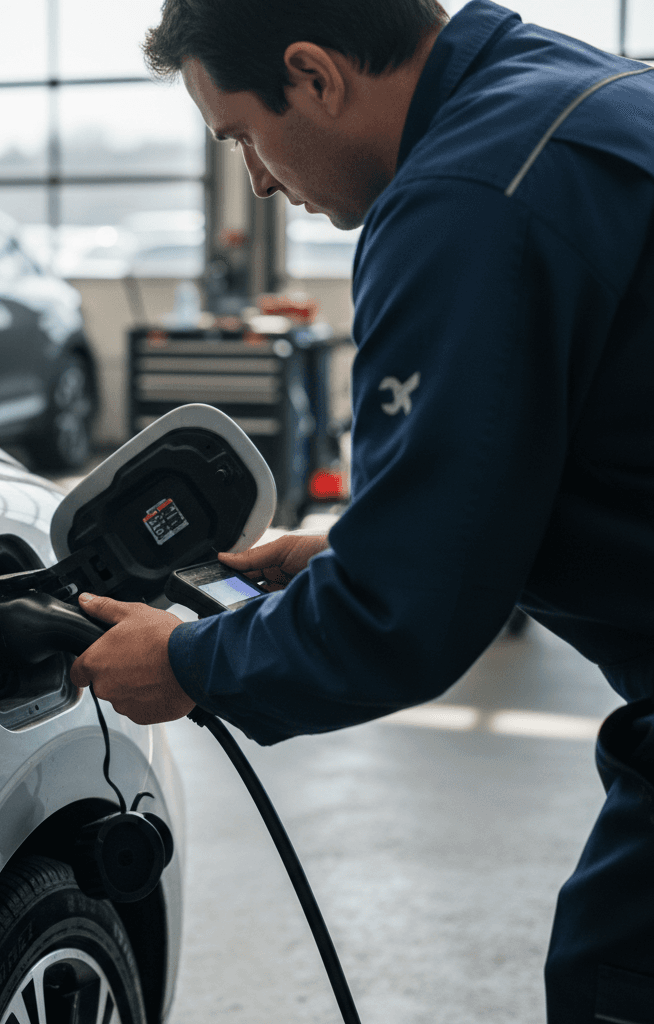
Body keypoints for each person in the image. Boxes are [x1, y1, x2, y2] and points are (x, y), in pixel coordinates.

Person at [68, 1, 654, 1019]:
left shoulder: (463, 203)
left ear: (314, 75)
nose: (257, 179)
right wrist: (367, 542)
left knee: (620, 983)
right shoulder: (586, 93)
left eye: (244, 136)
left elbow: (399, 612)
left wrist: (189, 662)